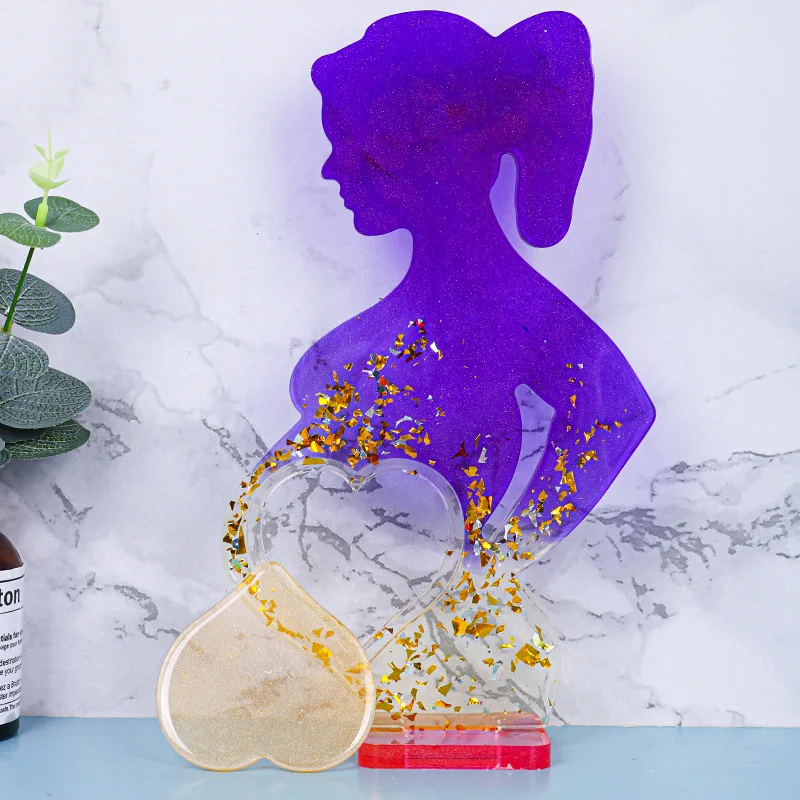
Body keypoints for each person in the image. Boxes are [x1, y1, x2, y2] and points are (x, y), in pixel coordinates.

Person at [268, 10, 655, 550]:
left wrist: (503, 561)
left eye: (353, 149)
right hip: (316, 562)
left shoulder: (513, 309)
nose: (332, 169)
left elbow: (614, 408)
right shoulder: (425, 311)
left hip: (401, 575)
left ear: (415, 163)